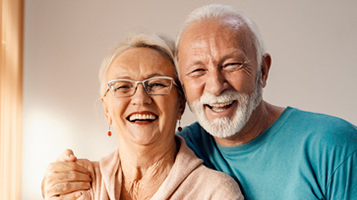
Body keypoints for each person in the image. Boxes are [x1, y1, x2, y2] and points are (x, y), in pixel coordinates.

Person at [42, 4, 357, 200]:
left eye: (232, 65)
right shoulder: (186, 143)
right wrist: (56, 181)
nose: (216, 86)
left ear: (263, 70)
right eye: (197, 71)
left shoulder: (332, 146)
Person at [41, 32, 243, 200]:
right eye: (122, 86)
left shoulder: (215, 192)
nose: (140, 98)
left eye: (156, 84)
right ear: (107, 110)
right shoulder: (80, 184)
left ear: (180, 104)